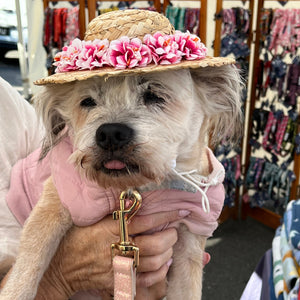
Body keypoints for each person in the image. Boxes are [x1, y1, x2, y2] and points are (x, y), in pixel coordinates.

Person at [0, 76, 210, 299]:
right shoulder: (67, 170)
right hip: (16, 243)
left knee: (188, 258)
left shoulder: (203, 185)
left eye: (153, 97)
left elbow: (188, 263)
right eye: (89, 102)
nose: (110, 132)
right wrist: (49, 281)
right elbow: (50, 213)